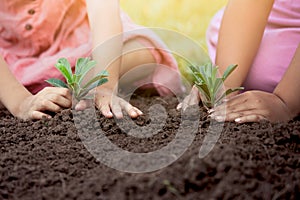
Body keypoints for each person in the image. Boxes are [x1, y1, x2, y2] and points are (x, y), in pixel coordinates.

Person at [0, 0, 184, 120]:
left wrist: (105, 84)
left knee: (141, 51)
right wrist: (21, 102)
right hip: (16, 58)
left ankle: (83, 84)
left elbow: (103, 10)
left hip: (86, 38)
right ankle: (64, 89)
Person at [178, 0, 300, 123]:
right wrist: (225, 83)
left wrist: (286, 102)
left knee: (268, 68)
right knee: (222, 29)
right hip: (275, 14)